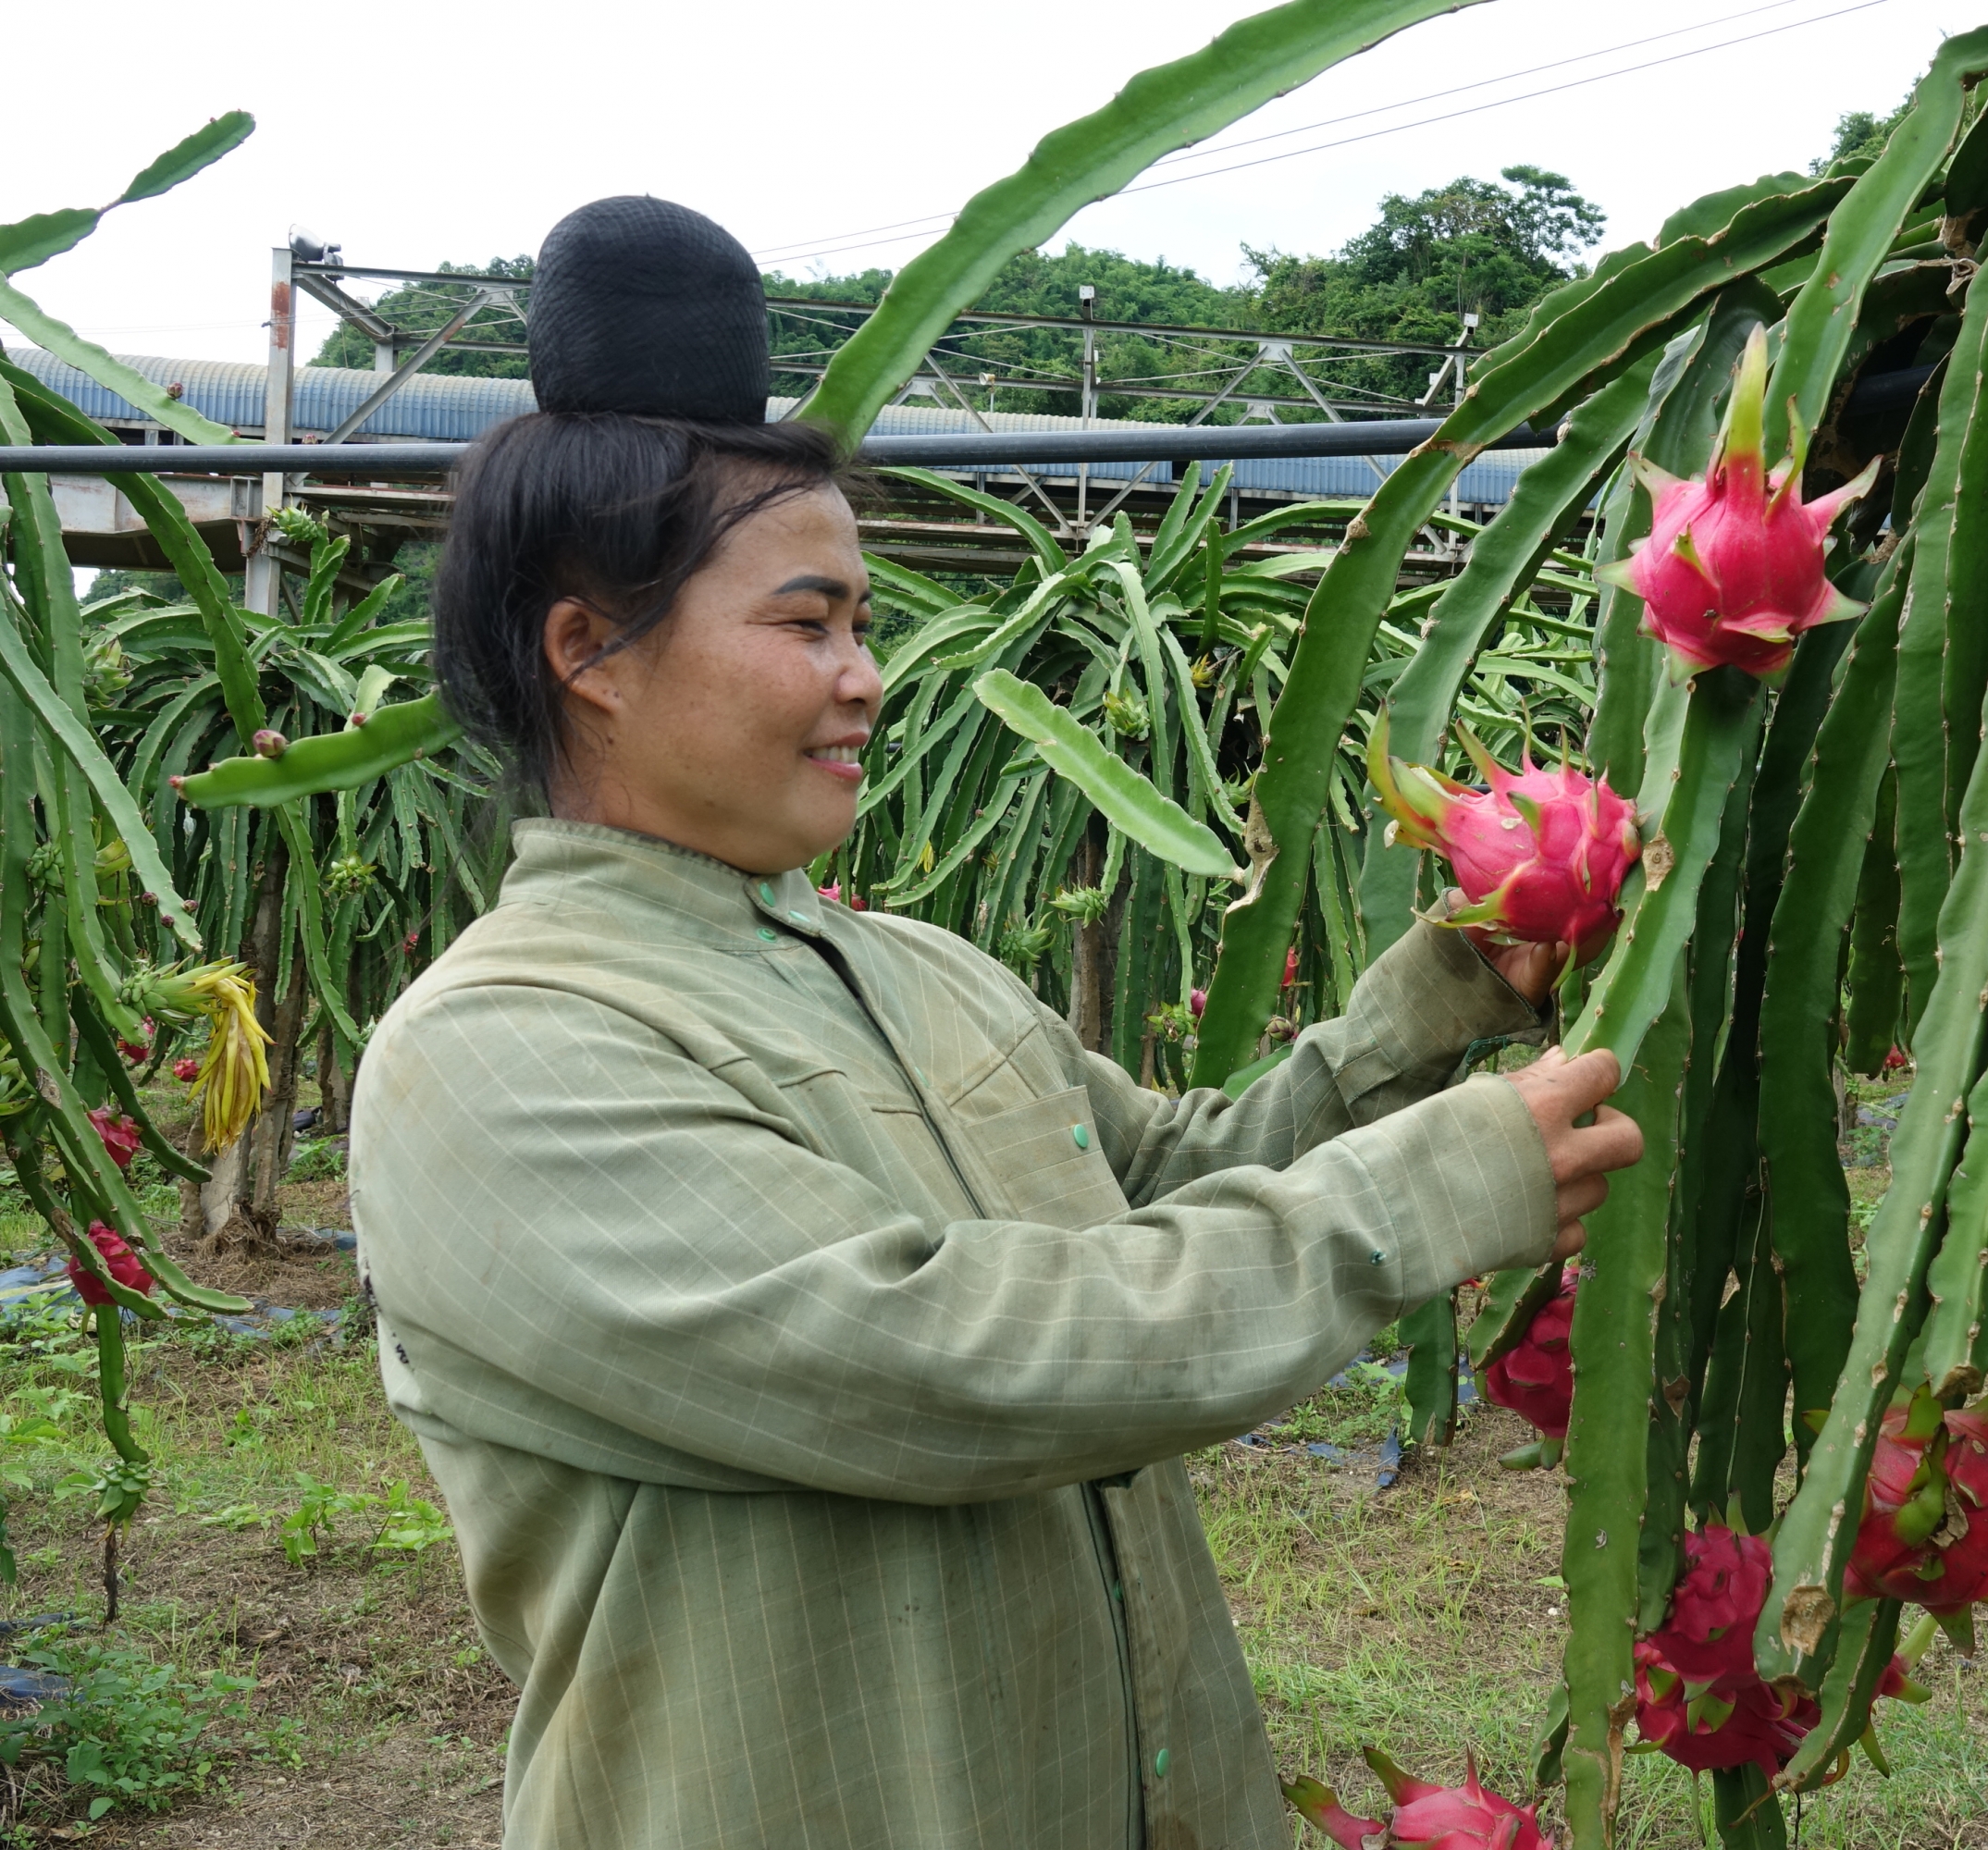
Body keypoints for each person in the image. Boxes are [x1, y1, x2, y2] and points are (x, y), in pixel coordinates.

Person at [347, 196, 1642, 1850]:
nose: (865, 674)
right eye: (805, 624)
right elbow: (946, 1359)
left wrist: (1452, 986)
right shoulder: (494, 1057)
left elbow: (1172, 1185)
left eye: (863, 623)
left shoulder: (917, 970)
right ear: (589, 653)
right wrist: (1425, 1195)